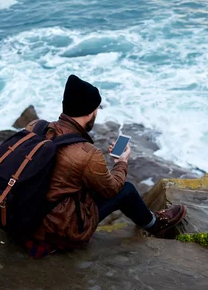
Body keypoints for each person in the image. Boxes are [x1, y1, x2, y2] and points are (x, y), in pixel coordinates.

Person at [23, 74, 186, 258]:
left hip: (25, 218)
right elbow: (111, 189)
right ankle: (156, 225)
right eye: (96, 109)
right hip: (57, 230)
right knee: (126, 189)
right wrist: (121, 163)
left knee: (87, 183)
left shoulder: (35, 127)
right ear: (89, 113)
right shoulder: (86, 153)